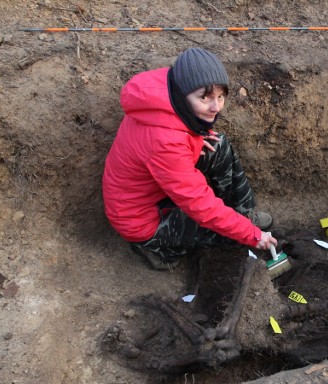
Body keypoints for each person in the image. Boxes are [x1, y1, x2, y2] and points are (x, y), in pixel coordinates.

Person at [102, 47, 277, 270]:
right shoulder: (165, 142)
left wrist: (193, 140)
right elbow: (199, 205)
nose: (216, 107)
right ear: (183, 94)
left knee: (217, 145)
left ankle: (244, 214)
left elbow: (174, 143)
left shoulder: (166, 97)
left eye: (221, 97)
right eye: (205, 98)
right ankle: (157, 249)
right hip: (143, 220)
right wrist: (251, 235)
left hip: (155, 188)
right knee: (224, 235)